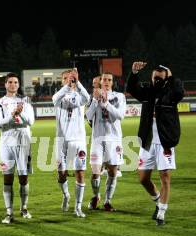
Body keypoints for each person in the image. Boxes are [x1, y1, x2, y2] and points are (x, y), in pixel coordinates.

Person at [126, 62, 184, 225]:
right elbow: (131, 88)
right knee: (143, 178)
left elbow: (180, 91)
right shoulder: (146, 93)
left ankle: (161, 213)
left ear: (166, 79)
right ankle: (158, 201)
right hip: (147, 141)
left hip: (165, 141)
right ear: (151, 77)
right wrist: (134, 73)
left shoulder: (171, 94)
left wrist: (172, 78)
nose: (156, 80)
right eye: (154, 77)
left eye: (160, 78)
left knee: (165, 178)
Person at [0, 73, 35, 224]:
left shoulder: (26, 101)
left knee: (23, 177)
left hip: (24, 141)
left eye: (15, 82)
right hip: (6, 143)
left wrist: (20, 112)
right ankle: (9, 212)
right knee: (8, 178)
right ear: (5, 84)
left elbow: (31, 121)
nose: (13, 84)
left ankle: (24, 208)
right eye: (10, 82)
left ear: (18, 85)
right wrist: (12, 116)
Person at [86, 73, 126, 211]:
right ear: (100, 81)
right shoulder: (94, 96)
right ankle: (96, 196)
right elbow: (88, 116)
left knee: (113, 173)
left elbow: (120, 115)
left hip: (114, 140)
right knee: (95, 172)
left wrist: (106, 104)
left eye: (110, 80)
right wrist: (96, 101)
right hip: (97, 140)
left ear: (112, 82)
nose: (107, 82)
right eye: (104, 79)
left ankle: (108, 201)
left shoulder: (119, 96)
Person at [52, 68, 89, 217]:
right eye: (66, 78)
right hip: (62, 141)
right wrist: (68, 85)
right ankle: (66, 195)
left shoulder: (79, 97)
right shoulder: (59, 97)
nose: (69, 80)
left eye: (71, 77)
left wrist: (77, 82)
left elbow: (87, 97)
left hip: (78, 140)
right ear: (62, 81)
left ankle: (78, 207)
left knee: (80, 173)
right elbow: (55, 98)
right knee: (62, 174)